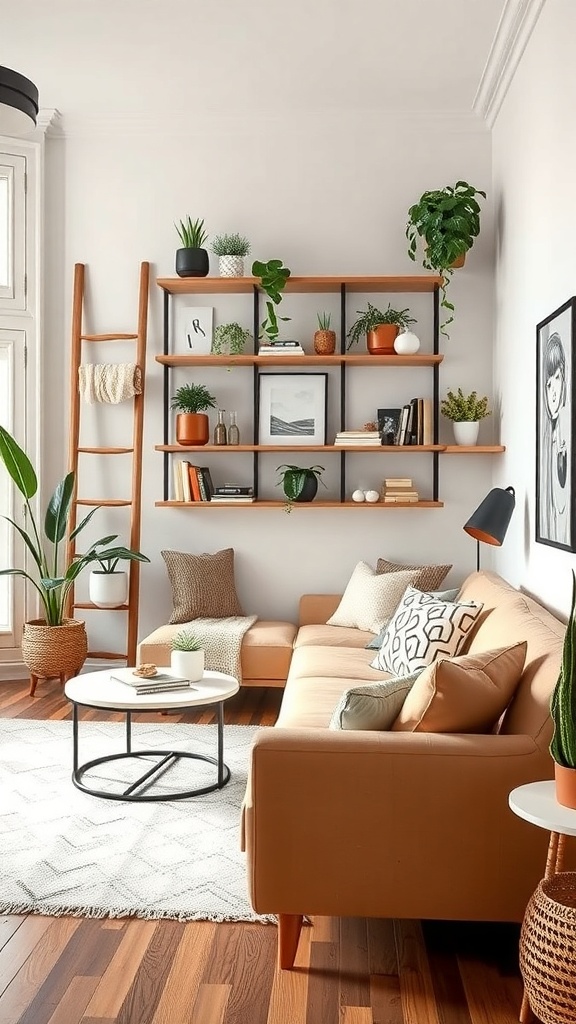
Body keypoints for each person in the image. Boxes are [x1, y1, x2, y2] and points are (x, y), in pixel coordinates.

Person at [541, 331, 569, 545]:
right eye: (548, 384)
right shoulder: (547, 444)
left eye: (557, 378)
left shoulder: (564, 442)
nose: (553, 392)